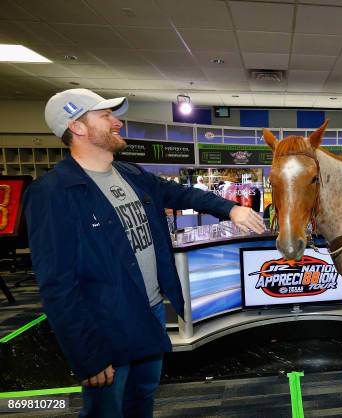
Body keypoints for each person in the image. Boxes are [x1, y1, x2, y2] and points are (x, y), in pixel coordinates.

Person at [24, 88, 265, 418]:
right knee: (105, 410)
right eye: (105, 116)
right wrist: (87, 355)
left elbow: (180, 194)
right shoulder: (52, 193)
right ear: (77, 127)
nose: (117, 122)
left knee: (142, 397)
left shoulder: (130, 174)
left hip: (150, 313)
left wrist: (232, 210)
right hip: (106, 324)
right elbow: (56, 286)